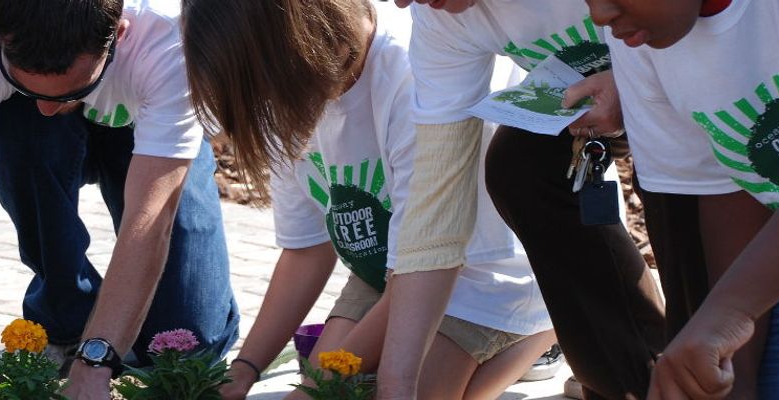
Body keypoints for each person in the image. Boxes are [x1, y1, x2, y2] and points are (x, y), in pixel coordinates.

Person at [181, 1, 556, 399]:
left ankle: (541, 331)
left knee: (380, 388)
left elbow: (427, 259)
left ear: (297, 46)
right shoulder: (279, 98)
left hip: (482, 272)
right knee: (326, 383)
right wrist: (244, 369)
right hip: (383, 269)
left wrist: (316, 391)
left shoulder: (412, 78)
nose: (265, 110)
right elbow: (306, 252)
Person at [0, 0, 240, 396]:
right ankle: (66, 312)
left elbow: (149, 224)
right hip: (30, 137)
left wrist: (96, 362)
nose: (47, 106)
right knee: (26, 126)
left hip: (140, 123)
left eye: (79, 86)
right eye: (26, 86)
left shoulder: (169, 40)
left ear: (122, 33)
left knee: (184, 342)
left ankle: (97, 334)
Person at [588, 0, 779, 398]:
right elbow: (732, 188)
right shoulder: (641, 44)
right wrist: (736, 372)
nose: (599, 14)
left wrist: (730, 311)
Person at [385, 0, 668, 398]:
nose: (398, 3)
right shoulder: (439, 15)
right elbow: (437, 205)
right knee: (519, 164)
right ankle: (632, 378)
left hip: (704, 81)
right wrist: (396, 387)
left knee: (673, 198)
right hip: (607, 89)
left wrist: (639, 81)